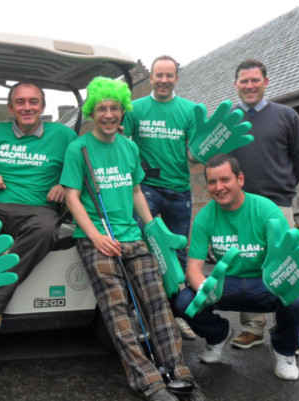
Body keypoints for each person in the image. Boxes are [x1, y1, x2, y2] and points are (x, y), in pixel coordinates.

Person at [62, 77, 205, 401]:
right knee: (118, 309)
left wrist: (154, 228)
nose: (109, 114)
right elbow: (72, 198)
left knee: (158, 303)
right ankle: (148, 382)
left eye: (115, 108)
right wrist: (96, 236)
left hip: (131, 235)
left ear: (123, 110)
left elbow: (137, 191)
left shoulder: (129, 147)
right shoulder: (78, 148)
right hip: (97, 239)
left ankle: (178, 372)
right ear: (92, 111)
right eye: (102, 108)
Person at [171, 153, 299, 381]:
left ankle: (284, 350)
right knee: (184, 301)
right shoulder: (205, 217)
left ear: (240, 179)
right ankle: (218, 335)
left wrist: (282, 281)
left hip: (264, 283)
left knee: (297, 299)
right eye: (212, 182)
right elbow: (193, 270)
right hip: (226, 284)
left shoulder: (267, 210)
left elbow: (286, 262)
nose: (219, 187)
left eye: (225, 179)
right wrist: (205, 287)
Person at [0, 81, 77, 330]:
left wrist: (64, 186)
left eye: (33, 101)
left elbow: (80, 168)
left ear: (42, 106)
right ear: (11, 108)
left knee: (45, 231)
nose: (27, 107)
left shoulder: (63, 135)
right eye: (20, 102)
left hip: (37, 208)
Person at [228, 59, 299, 349]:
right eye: (243, 81)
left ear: (266, 82)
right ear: (236, 84)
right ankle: (252, 327)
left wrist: (284, 185)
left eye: (255, 80)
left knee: (286, 269)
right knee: (248, 267)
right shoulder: (229, 120)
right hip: (242, 208)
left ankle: (287, 334)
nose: (249, 86)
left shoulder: (287, 116)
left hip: (278, 204)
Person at [121, 55, 197, 340]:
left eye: (169, 75)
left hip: (179, 191)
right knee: (144, 249)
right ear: (150, 78)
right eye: (159, 75)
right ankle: (143, 316)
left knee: (178, 254)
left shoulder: (190, 110)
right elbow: (121, 143)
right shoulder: (135, 108)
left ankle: (177, 316)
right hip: (147, 190)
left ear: (177, 78)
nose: (164, 80)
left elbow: (193, 153)